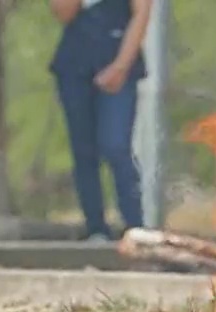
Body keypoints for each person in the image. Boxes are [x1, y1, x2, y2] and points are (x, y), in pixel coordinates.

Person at [48, 0, 152, 241]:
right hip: (76, 62)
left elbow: (142, 13)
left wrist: (121, 66)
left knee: (115, 145)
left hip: (118, 55)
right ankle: (95, 227)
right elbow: (62, 12)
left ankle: (135, 225)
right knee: (83, 151)